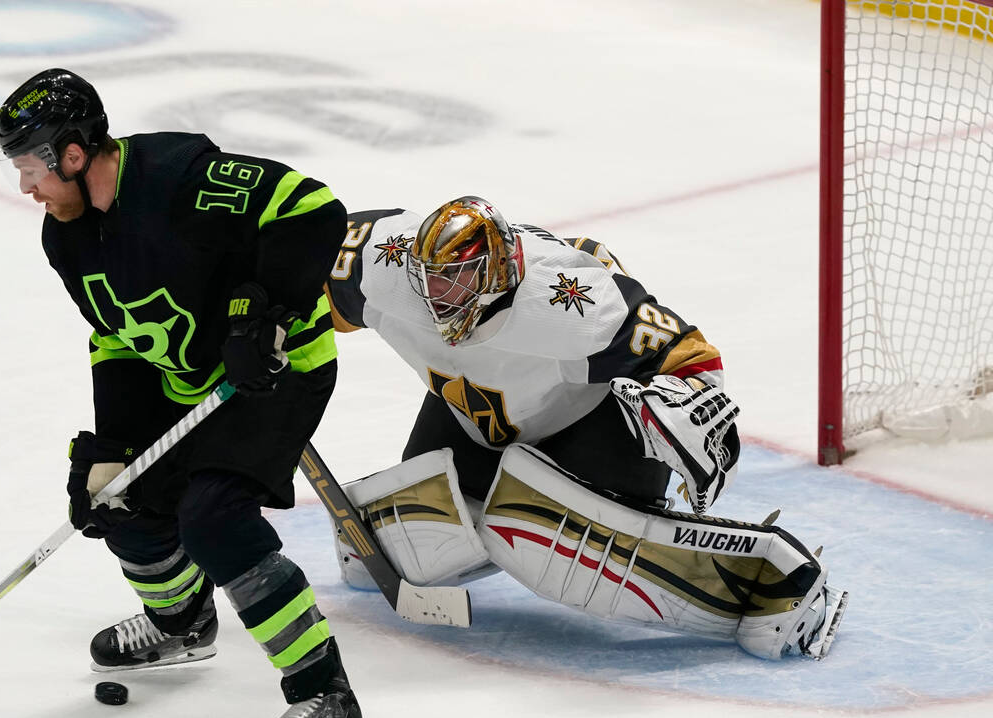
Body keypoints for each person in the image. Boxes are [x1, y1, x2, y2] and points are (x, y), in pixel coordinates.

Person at [0, 68, 370, 718]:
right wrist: (113, 448)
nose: (27, 187)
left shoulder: (178, 179)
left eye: (31, 167)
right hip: (185, 383)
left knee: (214, 519)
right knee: (117, 500)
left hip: (276, 371)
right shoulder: (65, 236)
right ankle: (182, 625)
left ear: (73, 154)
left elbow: (315, 210)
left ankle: (329, 704)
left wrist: (264, 311)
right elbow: (115, 339)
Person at [324, 198, 848, 660]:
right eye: (432, 277)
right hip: (475, 415)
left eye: (458, 277)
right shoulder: (385, 263)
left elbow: (688, 355)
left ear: (499, 270)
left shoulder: (569, 302)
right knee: (403, 541)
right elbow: (306, 265)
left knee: (540, 537)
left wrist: (684, 409)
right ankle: (497, 495)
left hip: (586, 424)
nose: (440, 294)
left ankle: (777, 577)